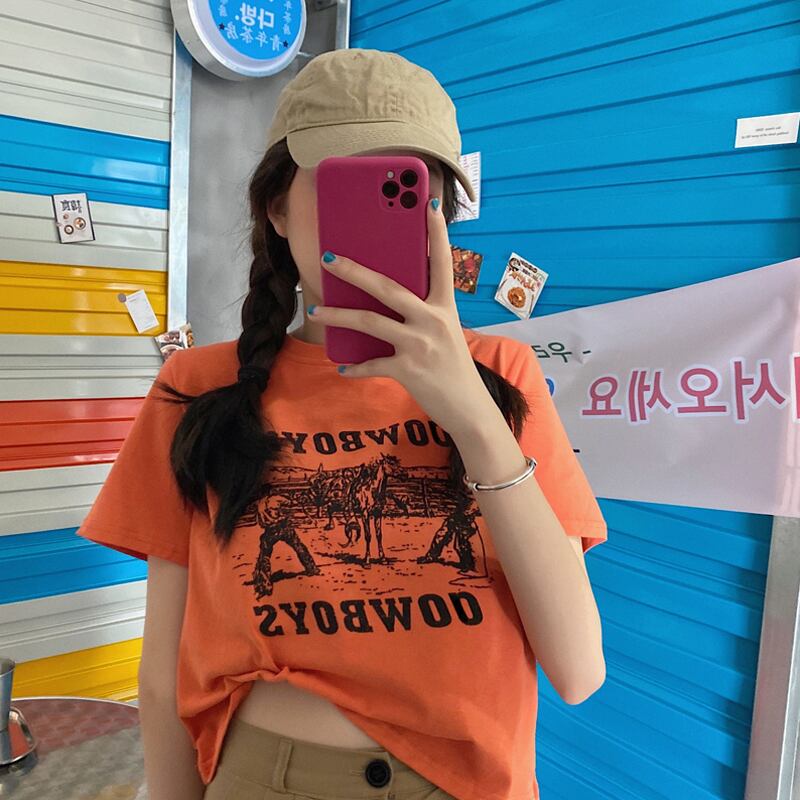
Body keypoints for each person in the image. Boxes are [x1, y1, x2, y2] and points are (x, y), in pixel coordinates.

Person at [76, 48, 608, 800]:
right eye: (346, 186)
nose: (376, 220)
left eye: (407, 192)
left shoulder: (503, 375)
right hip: (262, 781)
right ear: (277, 208)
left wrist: (473, 417)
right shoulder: (198, 387)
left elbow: (579, 669)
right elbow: (164, 675)